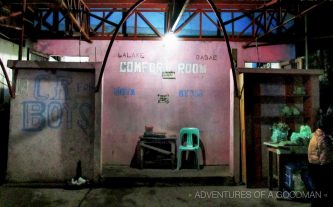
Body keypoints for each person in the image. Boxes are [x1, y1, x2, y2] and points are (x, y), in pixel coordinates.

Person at [308, 110, 333, 206]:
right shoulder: (324, 139)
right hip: (320, 171)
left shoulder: (315, 134)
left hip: (313, 169)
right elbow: (326, 161)